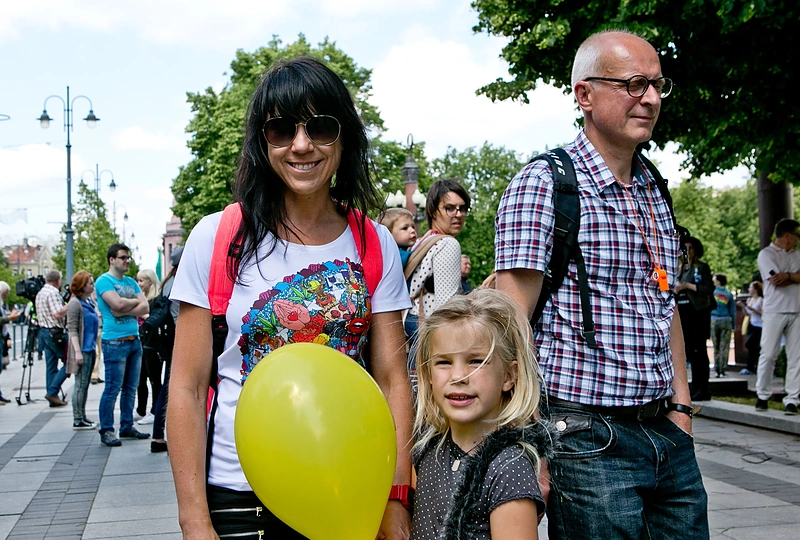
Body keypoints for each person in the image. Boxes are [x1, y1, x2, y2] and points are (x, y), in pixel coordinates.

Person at [168, 57, 414, 539]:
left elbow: (392, 382)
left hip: (348, 485)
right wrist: (193, 518)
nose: (302, 145)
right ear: (263, 142)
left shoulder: (374, 243)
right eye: (281, 129)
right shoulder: (217, 237)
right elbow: (187, 388)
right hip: (239, 495)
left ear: (344, 137)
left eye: (320, 127)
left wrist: (395, 496)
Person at [494, 30, 708, 539]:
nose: (650, 99)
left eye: (657, 85)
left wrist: (681, 409)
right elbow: (510, 320)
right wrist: (526, 446)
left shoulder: (654, 187)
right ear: (584, 95)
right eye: (634, 84)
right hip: (586, 438)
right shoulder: (544, 183)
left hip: (666, 434)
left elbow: (665, 305)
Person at [410, 289, 552, 539]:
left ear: (509, 376)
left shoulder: (509, 469)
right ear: (428, 374)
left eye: (476, 361)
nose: (458, 376)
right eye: (444, 362)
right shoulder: (427, 449)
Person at [405, 179, 470, 392]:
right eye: (449, 208)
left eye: (462, 208)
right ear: (433, 211)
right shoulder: (448, 244)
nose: (458, 215)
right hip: (431, 330)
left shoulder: (422, 241)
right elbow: (447, 306)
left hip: (410, 325)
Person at [95, 244, 151, 446]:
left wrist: (123, 308)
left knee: (130, 387)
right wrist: (131, 303)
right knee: (112, 388)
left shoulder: (130, 282)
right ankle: (107, 430)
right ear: (112, 260)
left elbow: (145, 306)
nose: (127, 261)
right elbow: (116, 305)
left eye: (128, 257)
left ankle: (126, 425)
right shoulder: (104, 281)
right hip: (114, 341)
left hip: (134, 340)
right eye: (123, 257)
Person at [755, 218, 800, 415]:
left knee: (796, 357)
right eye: (797, 235)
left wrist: (788, 276)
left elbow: (783, 278)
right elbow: (775, 280)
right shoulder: (766, 254)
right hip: (774, 310)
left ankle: (792, 399)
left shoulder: (797, 254)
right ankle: (762, 395)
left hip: (797, 310)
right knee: (768, 353)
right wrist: (794, 276)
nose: (798, 239)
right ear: (787, 235)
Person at [150, 246, 182, 453]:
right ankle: (159, 435)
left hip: (168, 340)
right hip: (177, 340)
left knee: (168, 385)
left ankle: (158, 434)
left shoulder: (168, 283)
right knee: (173, 386)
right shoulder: (180, 282)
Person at [675, 236, 715, 400]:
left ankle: (703, 387)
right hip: (682, 312)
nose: (687, 252)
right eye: (684, 248)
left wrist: (687, 286)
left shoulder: (702, 267)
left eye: (690, 248)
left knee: (699, 350)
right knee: (689, 351)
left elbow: (708, 289)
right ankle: (693, 386)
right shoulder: (679, 269)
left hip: (698, 313)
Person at [65, 271, 99, 429]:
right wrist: (77, 351)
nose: (93, 286)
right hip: (82, 349)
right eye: (90, 283)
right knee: (80, 384)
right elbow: (72, 329)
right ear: (82, 286)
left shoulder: (87, 302)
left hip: (90, 348)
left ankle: (82, 416)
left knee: (84, 385)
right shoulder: (75, 303)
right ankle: (77, 418)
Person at [35, 270, 69, 407]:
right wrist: (70, 304)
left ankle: (53, 396)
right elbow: (57, 313)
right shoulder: (53, 293)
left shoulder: (40, 293)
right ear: (58, 281)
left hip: (44, 331)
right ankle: (52, 391)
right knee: (69, 361)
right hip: (55, 332)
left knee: (51, 366)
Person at [135, 268, 162, 424]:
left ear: (149, 281)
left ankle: (154, 411)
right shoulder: (143, 298)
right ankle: (141, 409)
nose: (139, 284)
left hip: (152, 343)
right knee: (141, 378)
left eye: (141, 280)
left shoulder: (156, 299)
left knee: (154, 379)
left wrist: (141, 313)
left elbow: (155, 318)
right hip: (142, 340)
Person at [710, 273, 736, 378]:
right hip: (726, 320)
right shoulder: (728, 294)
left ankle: (716, 368)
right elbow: (732, 310)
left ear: (718, 281)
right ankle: (723, 369)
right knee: (724, 346)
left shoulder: (712, 292)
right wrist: (733, 324)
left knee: (715, 345)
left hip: (714, 320)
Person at [0, 281, 21, 404]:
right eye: (5, 293)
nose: (6, 295)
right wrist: (9, 318)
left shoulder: (1, 305)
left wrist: (7, 337)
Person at [738, 281, 763, 375]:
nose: (749, 289)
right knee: (752, 346)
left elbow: (763, 313)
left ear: (756, 289)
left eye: (751, 287)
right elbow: (747, 314)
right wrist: (743, 307)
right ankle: (751, 366)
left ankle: (753, 365)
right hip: (751, 324)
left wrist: (753, 309)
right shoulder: (749, 299)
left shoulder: (761, 300)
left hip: (759, 326)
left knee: (750, 343)